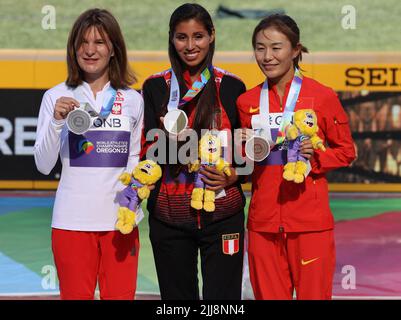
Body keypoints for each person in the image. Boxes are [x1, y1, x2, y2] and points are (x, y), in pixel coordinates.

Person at [237, 14, 356, 300]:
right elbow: (246, 165)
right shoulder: (247, 102)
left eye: (276, 48)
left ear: (295, 50)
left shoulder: (322, 96)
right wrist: (239, 149)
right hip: (263, 225)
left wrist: (316, 157)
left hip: (310, 226)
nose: (267, 56)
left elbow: (346, 151)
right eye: (260, 48)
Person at [34, 8, 143, 300]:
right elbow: (43, 166)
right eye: (83, 42)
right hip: (71, 222)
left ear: (113, 49)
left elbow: (134, 161)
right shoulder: (55, 96)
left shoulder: (133, 100)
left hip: (119, 224)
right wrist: (57, 121)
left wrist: (134, 203)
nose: (90, 50)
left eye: (99, 42)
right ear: (73, 49)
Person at [141, 3, 246, 300]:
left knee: (223, 304)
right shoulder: (154, 88)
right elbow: (146, 153)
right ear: (171, 39)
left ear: (212, 36)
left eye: (198, 36)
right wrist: (171, 144)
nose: (190, 46)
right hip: (169, 216)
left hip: (223, 214)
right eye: (181, 37)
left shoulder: (232, 87)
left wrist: (234, 176)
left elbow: (246, 150)